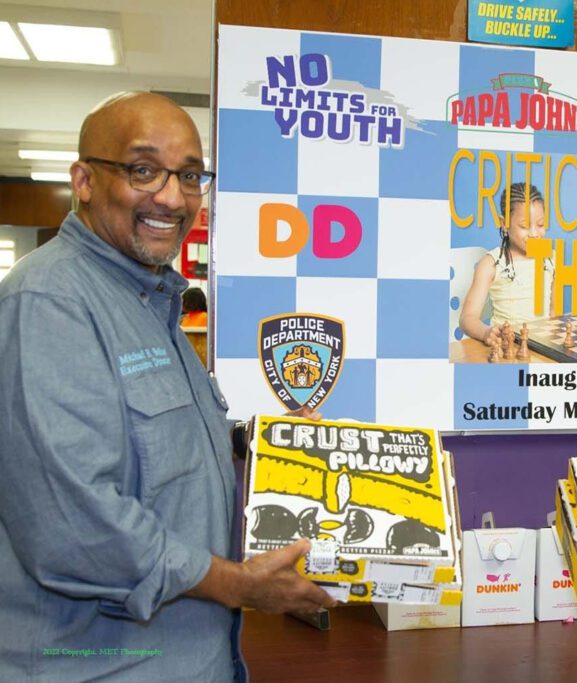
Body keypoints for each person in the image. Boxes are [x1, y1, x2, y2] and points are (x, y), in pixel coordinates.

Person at [0, 92, 334, 682]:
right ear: (83, 180)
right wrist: (240, 587)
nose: (173, 198)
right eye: (143, 171)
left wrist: (274, 447)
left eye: (189, 175)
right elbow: (73, 530)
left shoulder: (146, 297)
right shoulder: (49, 301)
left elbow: (155, 444)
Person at [459, 182, 553, 345]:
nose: (534, 234)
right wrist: (486, 332)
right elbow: (467, 318)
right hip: (507, 346)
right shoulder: (491, 263)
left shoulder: (551, 258)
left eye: (540, 225)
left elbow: (554, 312)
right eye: (524, 226)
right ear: (504, 223)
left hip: (543, 347)